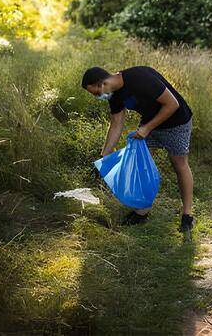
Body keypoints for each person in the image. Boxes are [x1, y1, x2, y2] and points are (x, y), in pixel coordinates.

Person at [81, 66, 195, 237]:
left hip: (176, 121)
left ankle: (187, 215)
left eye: (96, 93)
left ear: (102, 83)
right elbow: (116, 123)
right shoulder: (114, 94)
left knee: (179, 165)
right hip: (150, 124)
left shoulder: (139, 78)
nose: (98, 97)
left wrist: (147, 128)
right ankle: (142, 212)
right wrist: (104, 156)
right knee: (139, 166)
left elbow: (172, 104)